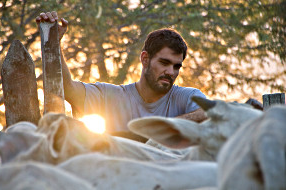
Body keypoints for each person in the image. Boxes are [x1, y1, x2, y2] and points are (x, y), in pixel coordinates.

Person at [36, 11, 207, 135]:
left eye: (177, 66)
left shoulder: (186, 97)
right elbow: (67, 89)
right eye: (164, 63)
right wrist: (53, 44)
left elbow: (210, 113)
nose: (170, 72)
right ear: (145, 59)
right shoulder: (112, 96)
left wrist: (161, 128)